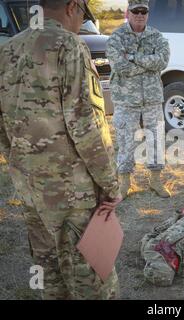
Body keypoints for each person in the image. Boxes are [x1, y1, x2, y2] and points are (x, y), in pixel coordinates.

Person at [0, 0, 122, 299]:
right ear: (71, 7)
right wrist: (110, 185)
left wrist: (18, 164)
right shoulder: (69, 46)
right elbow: (85, 127)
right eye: (83, 14)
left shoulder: (7, 50)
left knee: (49, 277)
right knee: (93, 283)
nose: (81, 22)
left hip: (31, 191)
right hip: (73, 196)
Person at [106, 0, 171, 198]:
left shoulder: (156, 36)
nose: (140, 15)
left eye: (144, 11)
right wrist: (148, 63)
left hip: (152, 98)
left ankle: (155, 180)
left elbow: (163, 61)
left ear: (148, 14)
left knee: (156, 139)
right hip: (126, 100)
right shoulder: (117, 37)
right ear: (129, 13)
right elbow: (119, 66)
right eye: (136, 11)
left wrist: (132, 57)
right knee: (126, 140)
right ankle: (125, 183)